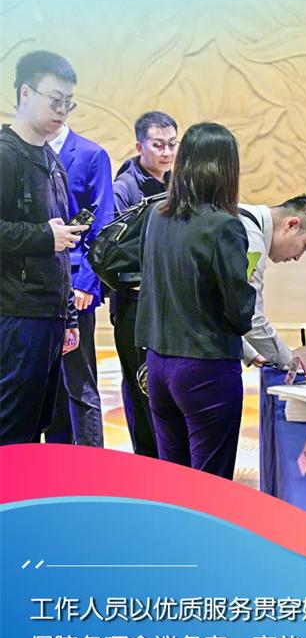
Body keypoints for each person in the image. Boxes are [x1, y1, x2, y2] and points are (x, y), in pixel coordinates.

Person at [136, 122, 256, 477]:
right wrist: (246, 286)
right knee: (209, 484)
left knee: (174, 481)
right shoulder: (223, 226)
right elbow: (240, 312)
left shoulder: (157, 216)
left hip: (158, 363)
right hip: (205, 365)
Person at [0, 50, 83, 444]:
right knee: (11, 431)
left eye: (68, 102)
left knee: (36, 428)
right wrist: (43, 237)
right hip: (15, 316)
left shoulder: (51, 159)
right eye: (55, 100)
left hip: (49, 316)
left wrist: (68, 316)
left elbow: (60, 242)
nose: (62, 110)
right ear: (26, 93)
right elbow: (47, 236)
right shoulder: (5, 154)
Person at [112, 110, 178, 456]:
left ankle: (170, 462)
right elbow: (114, 249)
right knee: (141, 388)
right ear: (140, 146)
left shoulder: (177, 183)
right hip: (134, 305)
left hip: (170, 302)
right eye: (158, 145)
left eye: (172, 144)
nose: (167, 152)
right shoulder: (125, 188)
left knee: (166, 387)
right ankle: (148, 463)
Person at [45, 123, 114, 447]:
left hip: (75, 286)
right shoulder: (22, 152)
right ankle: (51, 462)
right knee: (43, 388)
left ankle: (91, 466)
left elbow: (103, 225)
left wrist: (88, 282)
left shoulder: (91, 154)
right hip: (30, 286)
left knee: (79, 383)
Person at [239, 195, 306, 374]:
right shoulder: (251, 239)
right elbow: (248, 314)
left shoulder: (241, 218)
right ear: (291, 225)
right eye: (305, 246)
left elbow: (215, 306)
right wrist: (289, 359)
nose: (298, 257)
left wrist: (250, 352)